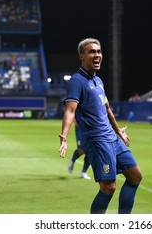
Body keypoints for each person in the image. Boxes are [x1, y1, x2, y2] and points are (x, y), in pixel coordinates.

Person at [58, 38, 142, 214]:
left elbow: (107, 109)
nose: (97, 55)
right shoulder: (77, 81)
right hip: (97, 141)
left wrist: (118, 131)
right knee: (108, 187)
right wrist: (64, 136)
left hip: (112, 138)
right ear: (82, 56)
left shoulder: (98, 81)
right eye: (92, 52)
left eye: (99, 51)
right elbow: (70, 111)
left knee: (135, 176)